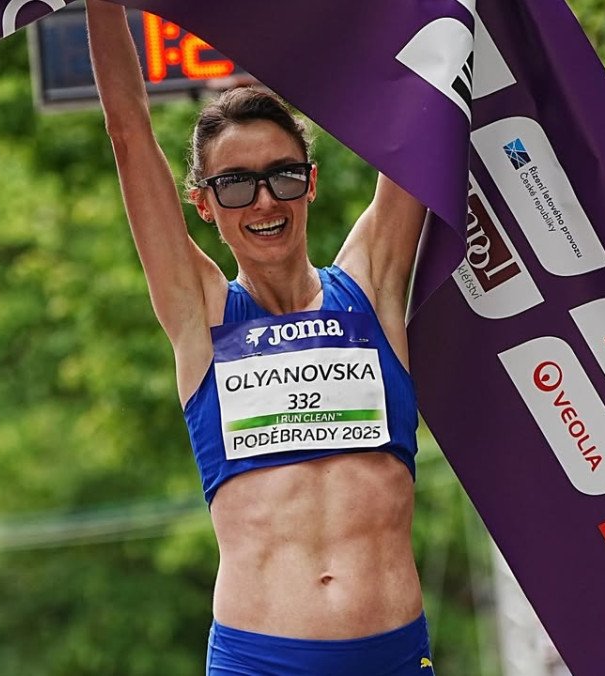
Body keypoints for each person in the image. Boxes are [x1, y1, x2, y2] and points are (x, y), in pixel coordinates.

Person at [85, 2, 433, 673]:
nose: (266, 201)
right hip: (258, 660)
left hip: (392, 654)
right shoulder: (201, 315)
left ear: (311, 184)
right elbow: (128, 129)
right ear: (203, 203)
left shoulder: (372, 287)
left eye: (283, 175)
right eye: (237, 185)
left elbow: (420, 104)